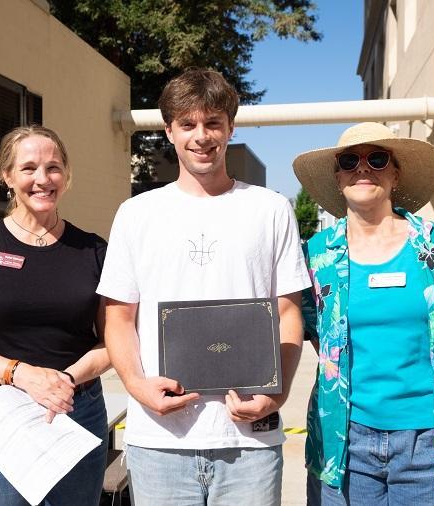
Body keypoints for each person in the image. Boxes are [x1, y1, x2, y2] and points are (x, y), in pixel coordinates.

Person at [97, 68, 311, 505]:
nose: (202, 135)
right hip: (159, 441)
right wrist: (138, 387)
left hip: (250, 439)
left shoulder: (270, 209)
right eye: (188, 124)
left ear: (230, 128)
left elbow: (289, 311)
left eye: (213, 123)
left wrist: (278, 391)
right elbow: (117, 317)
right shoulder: (137, 214)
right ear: (169, 131)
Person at [293, 122, 434, 505]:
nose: (362, 168)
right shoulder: (317, 255)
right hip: (346, 443)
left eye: (377, 159)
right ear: (337, 176)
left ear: (395, 173)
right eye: (350, 160)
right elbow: (315, 331)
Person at [0, 125, 109, 506]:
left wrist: (65, 379)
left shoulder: (93, 249)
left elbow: (112, 341)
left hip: (75, 409)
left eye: (54, 167)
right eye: (29, 168)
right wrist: (23, 374)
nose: (42, 179)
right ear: (6, 176)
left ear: (66, 176)